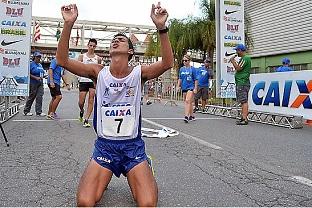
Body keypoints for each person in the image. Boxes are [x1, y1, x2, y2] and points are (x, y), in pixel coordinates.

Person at [56, 3, 173, 206]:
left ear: (130, 51)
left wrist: (161, 27)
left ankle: (145, 165)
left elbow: (167, 64)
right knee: (85, 202)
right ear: (109, 51)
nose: (116, 41)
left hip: (132, 147)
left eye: (121, 40)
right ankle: (104, 171)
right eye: (113, 40)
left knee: (147, 204)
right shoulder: (97, 72)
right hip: (105, 147)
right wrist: (68, 24)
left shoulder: (139, 73)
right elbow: (62, 60)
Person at [78, 38, 102, 127]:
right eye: (90, 45)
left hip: (93, 82)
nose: (92, 47)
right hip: (83, 81)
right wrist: (78, 78)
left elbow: (99, 70)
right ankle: (81, 111)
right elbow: (77, 68)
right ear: (88, 46)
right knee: (81, 102)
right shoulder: (82, 56)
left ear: (95, 47)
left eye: (94, 46)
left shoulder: (98, 58)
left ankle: (86, 119)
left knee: (91, 100)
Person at [230, 43, 251, 125]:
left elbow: (238, 68)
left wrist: (232, 61)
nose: (236, 52)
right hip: (243, 82)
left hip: (242, 82)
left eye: (237, 50)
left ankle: (244, 119)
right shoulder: (244, 58)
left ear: (240, 50)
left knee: (244, 101)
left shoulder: (245, 58)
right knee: (243, 101)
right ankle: (243, 117)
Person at [23, 51, 46, 117]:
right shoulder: (31, 64)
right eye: (37, 57)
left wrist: (44, 76)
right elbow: (27, 73)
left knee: (40, 97)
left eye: (40, 57)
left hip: (40, 83)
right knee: (32, 96)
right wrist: (35, 77)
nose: (39, 58)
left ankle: (38, 112)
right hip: (33, 83)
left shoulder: (40, 65)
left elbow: (42, 73)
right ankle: (26, 111)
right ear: (34, 57)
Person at [177, 55, 198, 123]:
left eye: (186, 60)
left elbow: (195, 79)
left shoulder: (193, 69)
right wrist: (178, 86)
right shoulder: (182, 69)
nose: (184, 62)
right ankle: (192, 116)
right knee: (189, 102)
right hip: (184, 87)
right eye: (183, 60)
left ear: (189, 61)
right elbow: (180, 78)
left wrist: (195, 88)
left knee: (187, 101)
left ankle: (186, 116)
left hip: (191, 87)